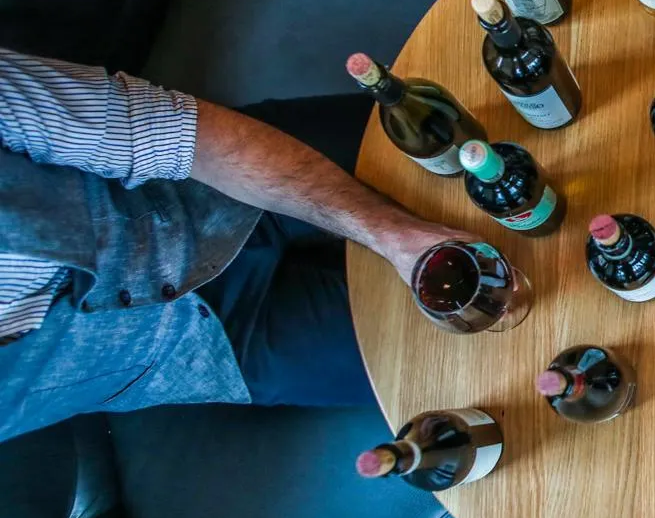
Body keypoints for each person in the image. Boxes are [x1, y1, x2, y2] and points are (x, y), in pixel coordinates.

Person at [0, 53, 472, 442]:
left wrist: (391, 231)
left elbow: (183, 137)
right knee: (482, 343)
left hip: (202, 188)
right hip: (210, 352)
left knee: (470, 161)